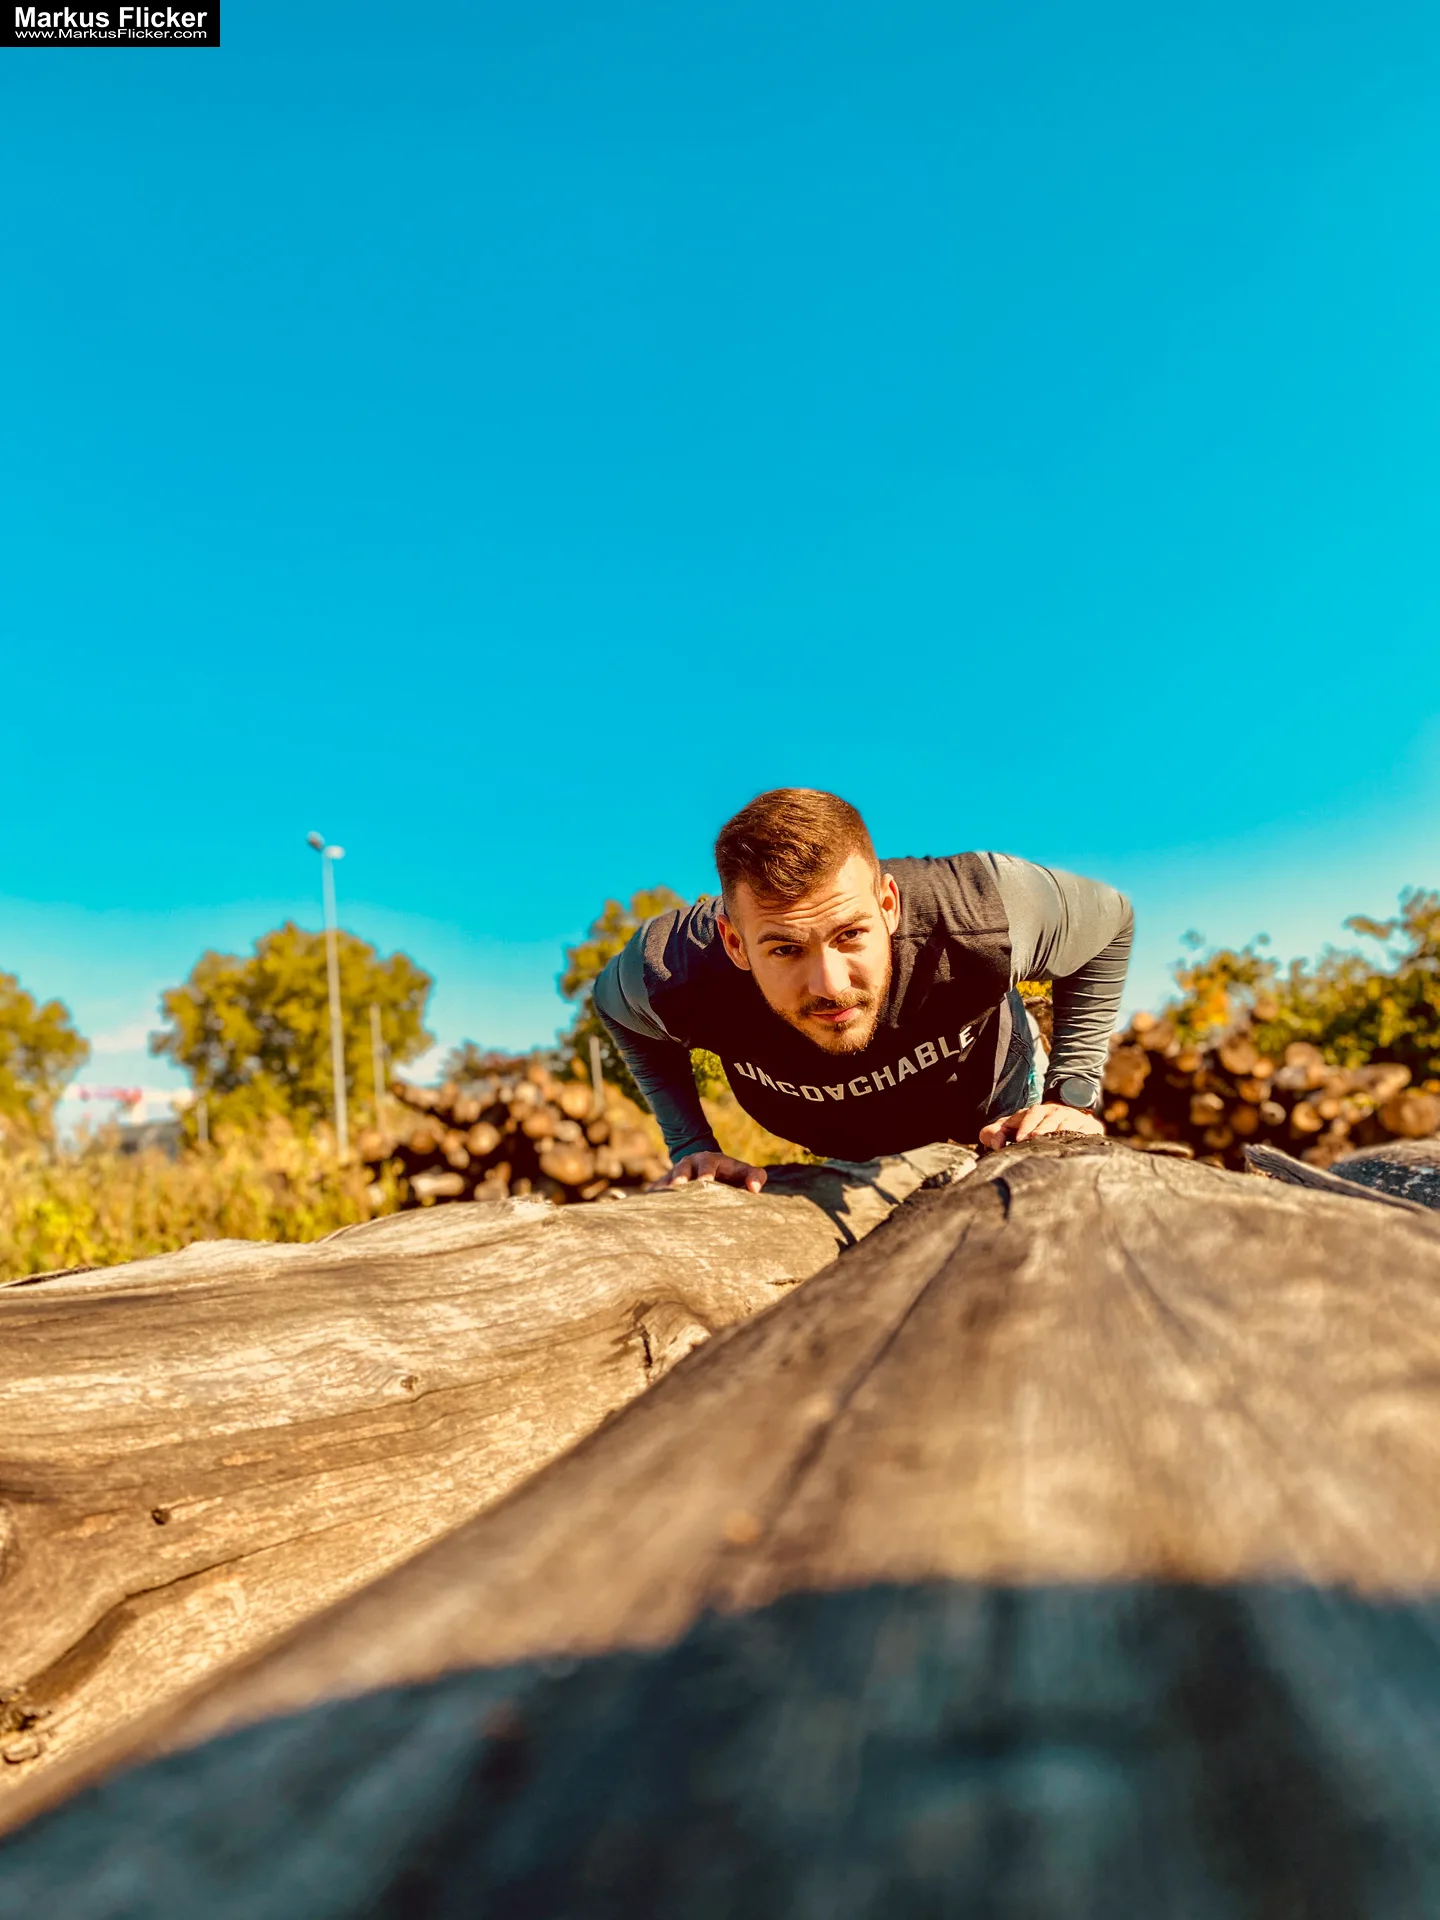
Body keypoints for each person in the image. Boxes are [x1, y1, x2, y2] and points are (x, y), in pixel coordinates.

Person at [594, 788, 1132, 1191]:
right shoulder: (675, 973)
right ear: (735, 944)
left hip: (996, 1109)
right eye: (784, 949)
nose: (830, 985)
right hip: (834, 1145)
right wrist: (691, 1146)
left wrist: (1073, 1094)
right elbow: (612, 1007)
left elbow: (1111, 922)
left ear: (890, 905)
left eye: (850, 935)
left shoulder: (977, 913)